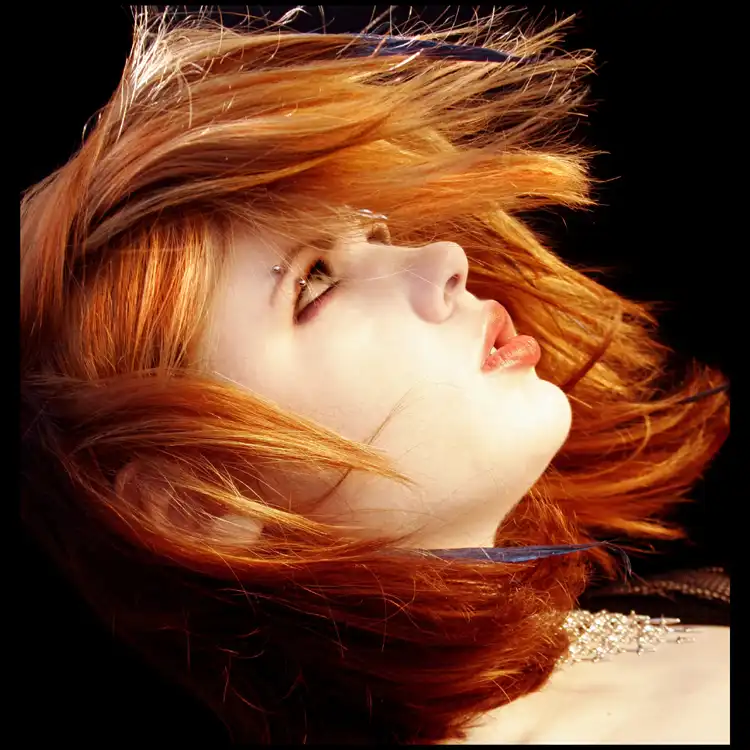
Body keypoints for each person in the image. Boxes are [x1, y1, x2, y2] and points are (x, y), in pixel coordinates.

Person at [19, 7, 729, 744]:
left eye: (377, 236)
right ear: (200, 501)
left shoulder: (683, 605)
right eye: (315, 283)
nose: (446, 259)